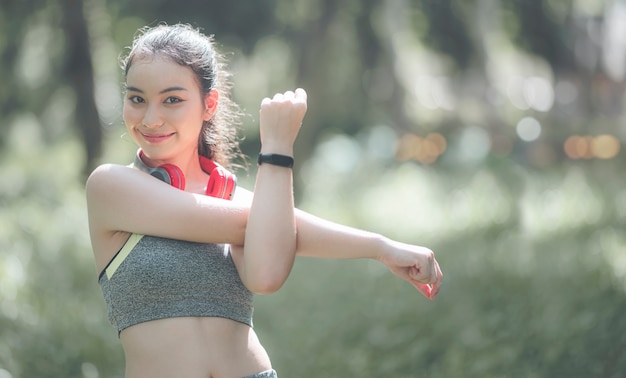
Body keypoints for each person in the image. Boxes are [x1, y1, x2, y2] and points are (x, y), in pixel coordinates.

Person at [85, 23, 443, 378]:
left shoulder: (235, 200)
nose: (150, 118)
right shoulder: (112, 186)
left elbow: (266, 275)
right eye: (137, 99)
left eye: (172, 100)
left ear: (209, 105)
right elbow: (261, 224)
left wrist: (381, 247)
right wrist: (276, 151)